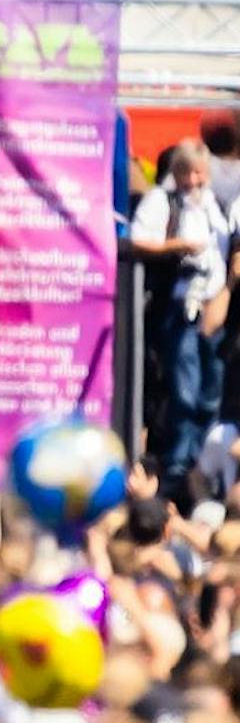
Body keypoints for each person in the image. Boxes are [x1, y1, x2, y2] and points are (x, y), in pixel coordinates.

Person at [131, 138, 231, 491]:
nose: (197, 179)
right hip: (179, 306)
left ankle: (200, 464)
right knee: (184, 392)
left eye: (202, 172)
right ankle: (178, 465)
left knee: (209, 393)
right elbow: (136, 240)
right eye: (190, 172)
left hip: (213, 307)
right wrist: (177, 247)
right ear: (178, 172)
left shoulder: (215, 204)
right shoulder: (163, 199)